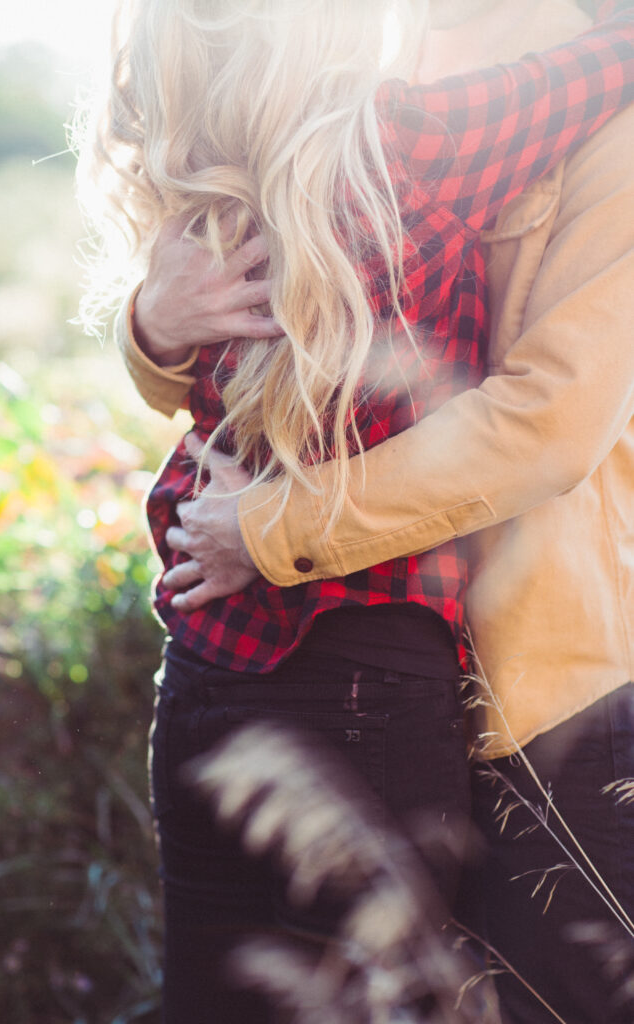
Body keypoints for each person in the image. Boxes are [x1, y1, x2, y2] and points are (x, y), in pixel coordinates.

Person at [90, 1, 634, 1021]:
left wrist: (271, 529)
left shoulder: (600, 109)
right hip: (358, 674)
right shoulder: (378, 69)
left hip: (540, 694)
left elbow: (548, 424)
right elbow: (235, 364)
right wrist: (149, 324)